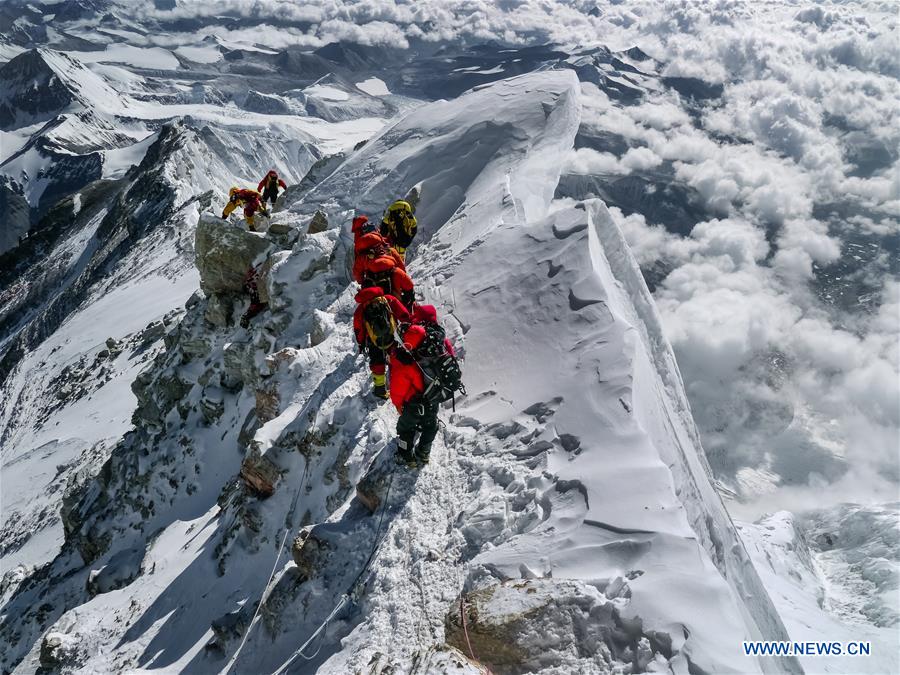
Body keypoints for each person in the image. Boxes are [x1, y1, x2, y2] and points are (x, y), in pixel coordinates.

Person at [389, 324, 446, 466]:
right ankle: (424, 453)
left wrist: (399, 406)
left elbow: (397, 390)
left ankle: (406, 456)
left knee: (405, 428)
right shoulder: (434, 351)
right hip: (433, 397)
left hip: (414, 403)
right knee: (430, 425)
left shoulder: (405, 362)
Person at [353, 286, 411, 399]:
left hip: (373, 341)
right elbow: (403, 313)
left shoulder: (360, 310)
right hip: (392, 335)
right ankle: (400, 384)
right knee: (395, 358)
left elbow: (358, 329)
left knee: (377, 363)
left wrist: (361, 343)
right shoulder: (388, 299)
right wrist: (407, 324)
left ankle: (380, 390)